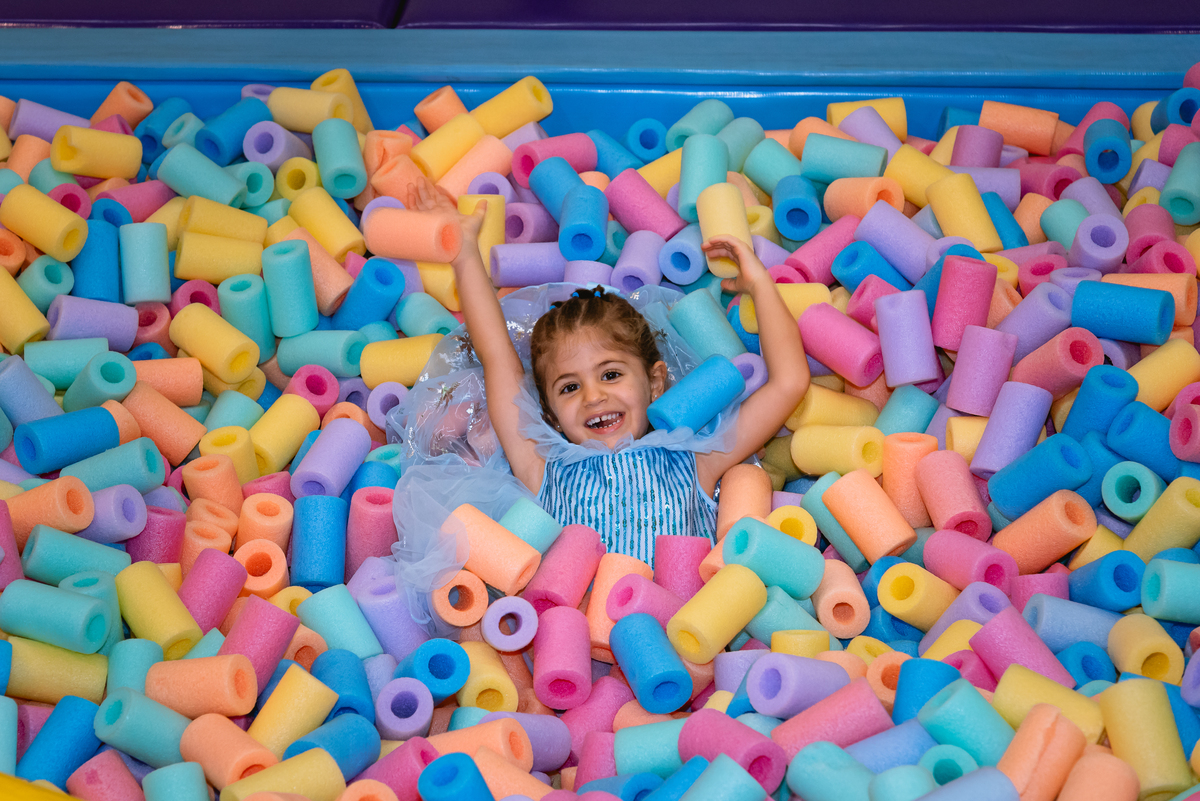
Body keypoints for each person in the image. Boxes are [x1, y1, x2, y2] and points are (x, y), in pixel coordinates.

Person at [403, 178, 810, 562]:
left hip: (682, 631)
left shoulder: (694, 459)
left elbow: (789, 384)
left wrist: (760, 284)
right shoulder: (543, 469)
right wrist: (464, 253)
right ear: (548, 414)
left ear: (654, 382)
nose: (593, 396)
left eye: (611, 374)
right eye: (568, 388)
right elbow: (498, 358)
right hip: (570, 634)